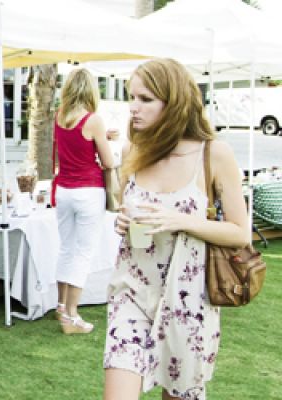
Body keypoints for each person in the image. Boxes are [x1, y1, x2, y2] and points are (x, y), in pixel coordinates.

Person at [104, 58, 249, 399]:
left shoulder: (214, 154)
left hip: (188, 300)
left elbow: (240, 233)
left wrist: (181, 220)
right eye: (131, 97)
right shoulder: (132, 150)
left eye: (146, 99)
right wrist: (122, 221)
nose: (134, 108)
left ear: (174, 102)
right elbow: (126, 208)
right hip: (132, 292)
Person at [53, 68, 116, 335]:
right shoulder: (93, 120)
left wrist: (101, 137)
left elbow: (70, 145)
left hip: (64, 190)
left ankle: (61, 306)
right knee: (83, 253)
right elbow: (108, 162)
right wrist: (105, 141)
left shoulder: (60, 115)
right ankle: (72, 316)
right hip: (88, 190)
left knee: (66, 249)